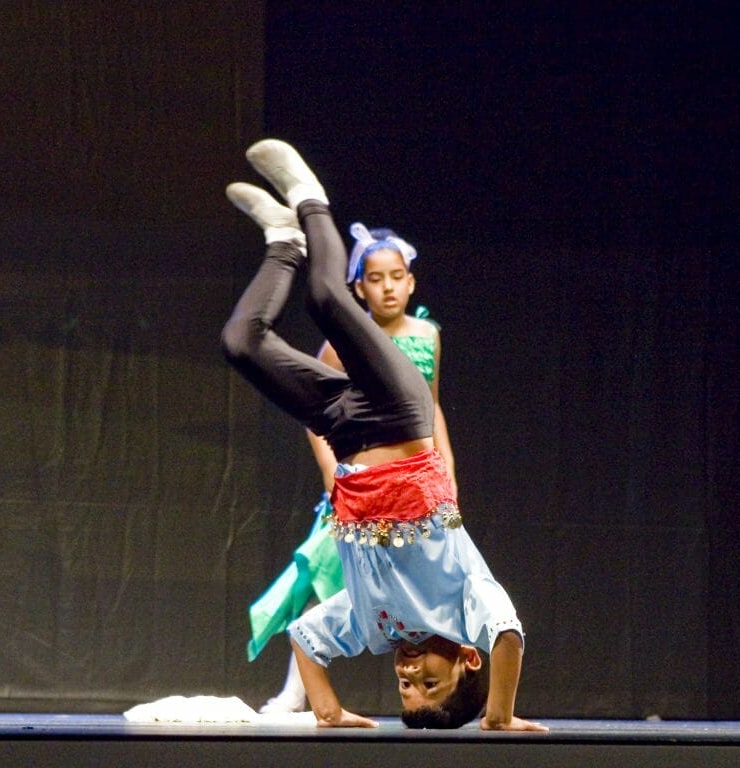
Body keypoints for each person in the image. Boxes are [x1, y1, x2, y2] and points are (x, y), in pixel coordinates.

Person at [221, 139, 545, 732]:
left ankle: (284, 242)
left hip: (345, 432)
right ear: (467, 659)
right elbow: (508, 635)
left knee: (241, 344)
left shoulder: (371, 626)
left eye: (405, 686)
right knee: (327, 298)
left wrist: (328, 711)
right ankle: (311, 199)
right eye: (430, 681)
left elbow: (306, 637)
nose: (410, 671)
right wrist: (498, 716)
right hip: (400, 417)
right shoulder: (468, 605)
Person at [246, 221, 457, 715]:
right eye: (376, 279)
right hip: (360, 480)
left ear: (411, 282)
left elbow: (431, 405)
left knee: (436, 582)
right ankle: (296, 691)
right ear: (359, 288)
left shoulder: (427, 335)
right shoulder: (346, 341)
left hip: (415, 485)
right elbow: (318, 412)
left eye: (396, 277)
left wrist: (446, 466)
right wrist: (332, 470)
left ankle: (444, 689)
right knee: (326, 578)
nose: (388, 288)